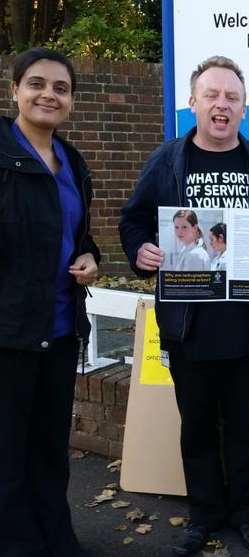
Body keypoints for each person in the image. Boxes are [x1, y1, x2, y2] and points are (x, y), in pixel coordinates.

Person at [119, 56, 249, 556]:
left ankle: (245, 512)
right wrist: (140, 251)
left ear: (244, 109)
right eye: (212, 95)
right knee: (197, 427)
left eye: (231, 98)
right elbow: (134, 221)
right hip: (189, 327)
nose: (221, 105)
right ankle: (203, 514)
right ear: (193, 103)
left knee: (245, 428)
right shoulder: (167, 161)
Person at [0, 47, 99, 557]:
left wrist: (89, 255)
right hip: (10, 331)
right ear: (15, 89)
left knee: (48, 448)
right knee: (8, 450)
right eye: (36, 84)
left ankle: (55, 535)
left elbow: (77, 235)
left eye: (61, 88)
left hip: (60, 329)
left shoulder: (73, 162)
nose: (48, 95)